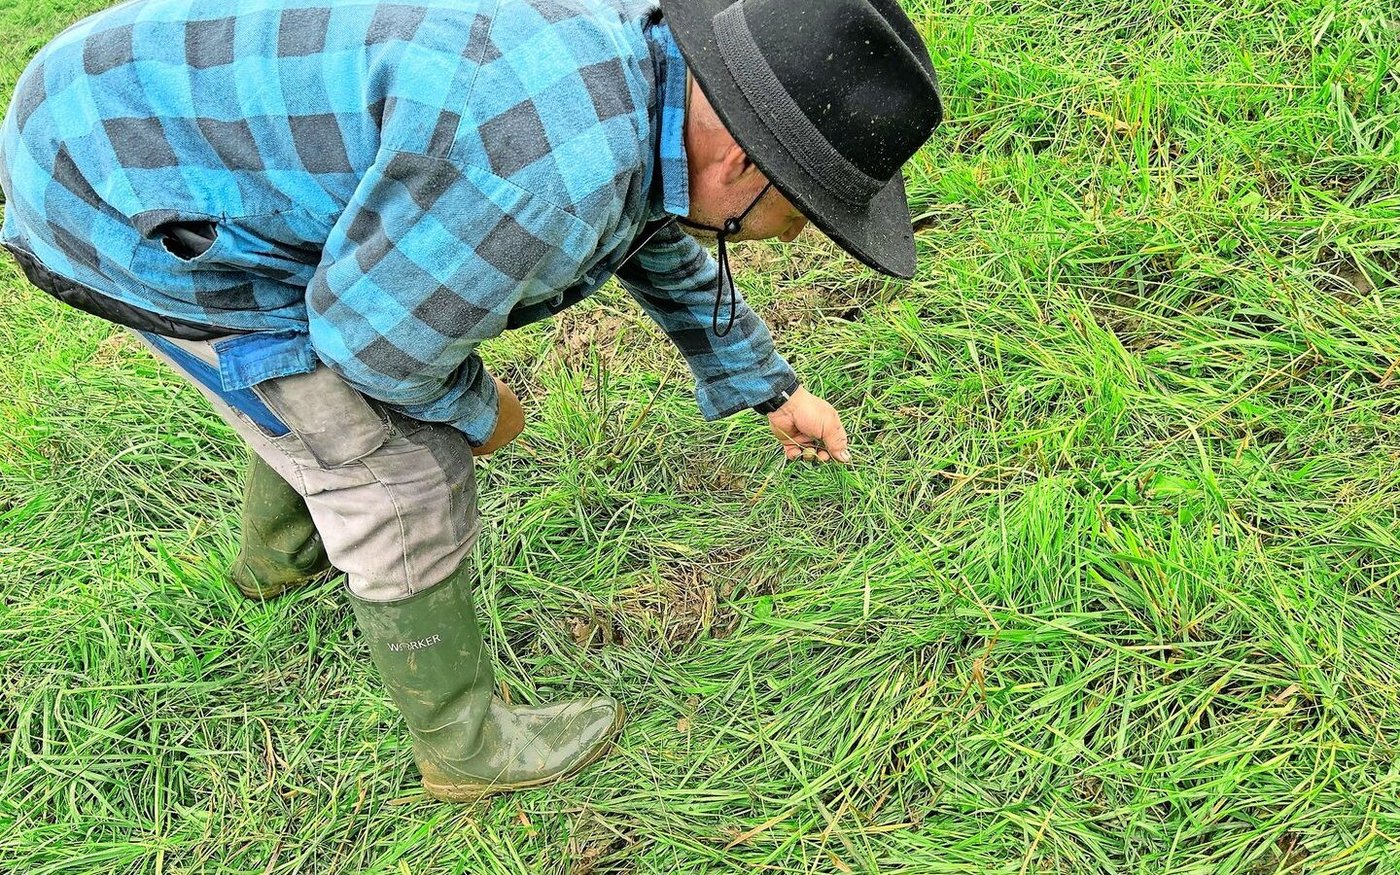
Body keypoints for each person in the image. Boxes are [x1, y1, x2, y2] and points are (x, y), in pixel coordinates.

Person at [0, 0, 942, 802]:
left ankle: (282, 559)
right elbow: (372, 345)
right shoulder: (539, 167)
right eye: (804, 212)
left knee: (329, 415)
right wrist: (486, 414)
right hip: (106, 185)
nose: (793, 239)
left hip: (133, 97)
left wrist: (769, 386)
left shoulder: (646, 69)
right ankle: (462, 744)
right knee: (398, 461)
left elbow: (649, 231)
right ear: (740, 162)